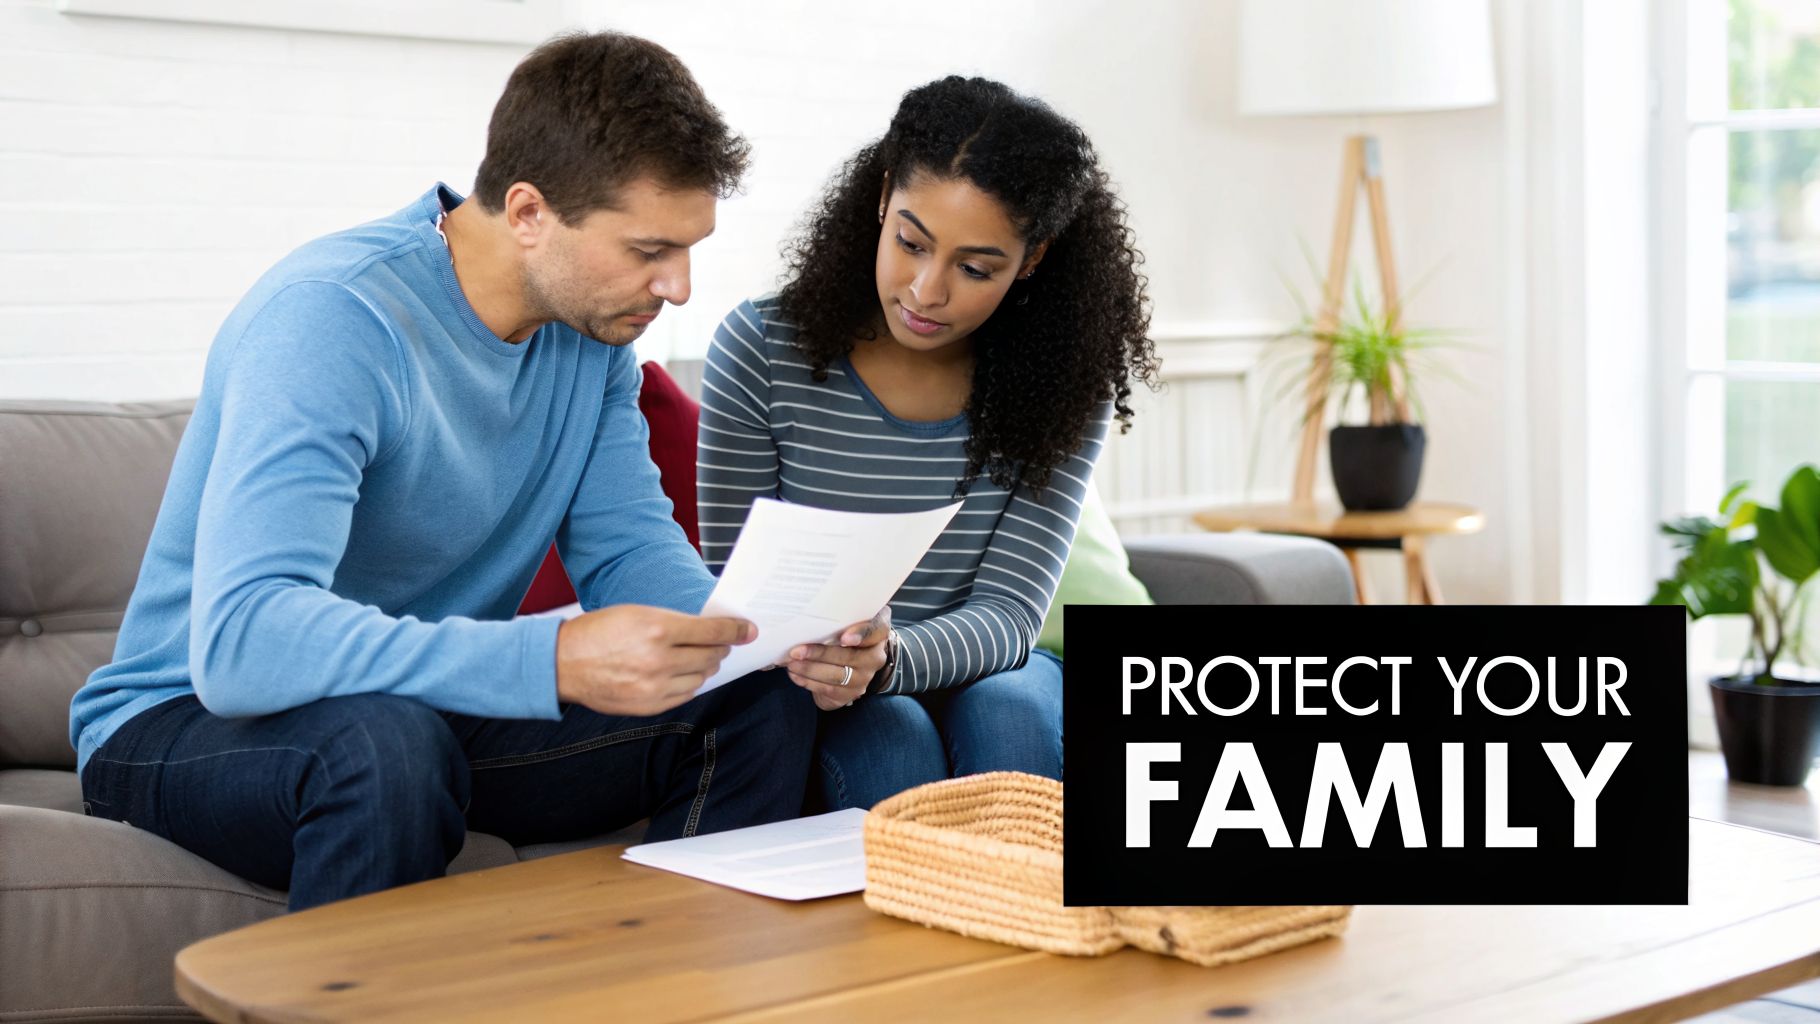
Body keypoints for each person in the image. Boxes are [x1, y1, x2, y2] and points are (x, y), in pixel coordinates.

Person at [69, 32, 883, 913]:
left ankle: (673, 989)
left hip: (423, 710)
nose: (679, 286)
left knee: (754, 700)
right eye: (649, 250)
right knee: (383, 745)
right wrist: (551, 656)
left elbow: (630, 553)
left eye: (688, 249)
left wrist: (770, 639)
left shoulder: (591, 338)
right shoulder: (333, 322)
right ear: (529, 212)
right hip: (186, 723)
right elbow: (245, 646)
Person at [697, 76, 1156, 810]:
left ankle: (1031, 918)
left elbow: (1011, 615)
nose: (926, 290)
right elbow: (734, 584)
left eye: (976, 268)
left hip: (987, 666)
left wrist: (891, 658)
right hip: (821, 679)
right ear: (882, 198)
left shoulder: (1066, 385)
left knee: (1013, 713)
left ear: (1032, 258)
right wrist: (851, 667)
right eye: (911, 243)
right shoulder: (762, 349)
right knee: (893, 736)